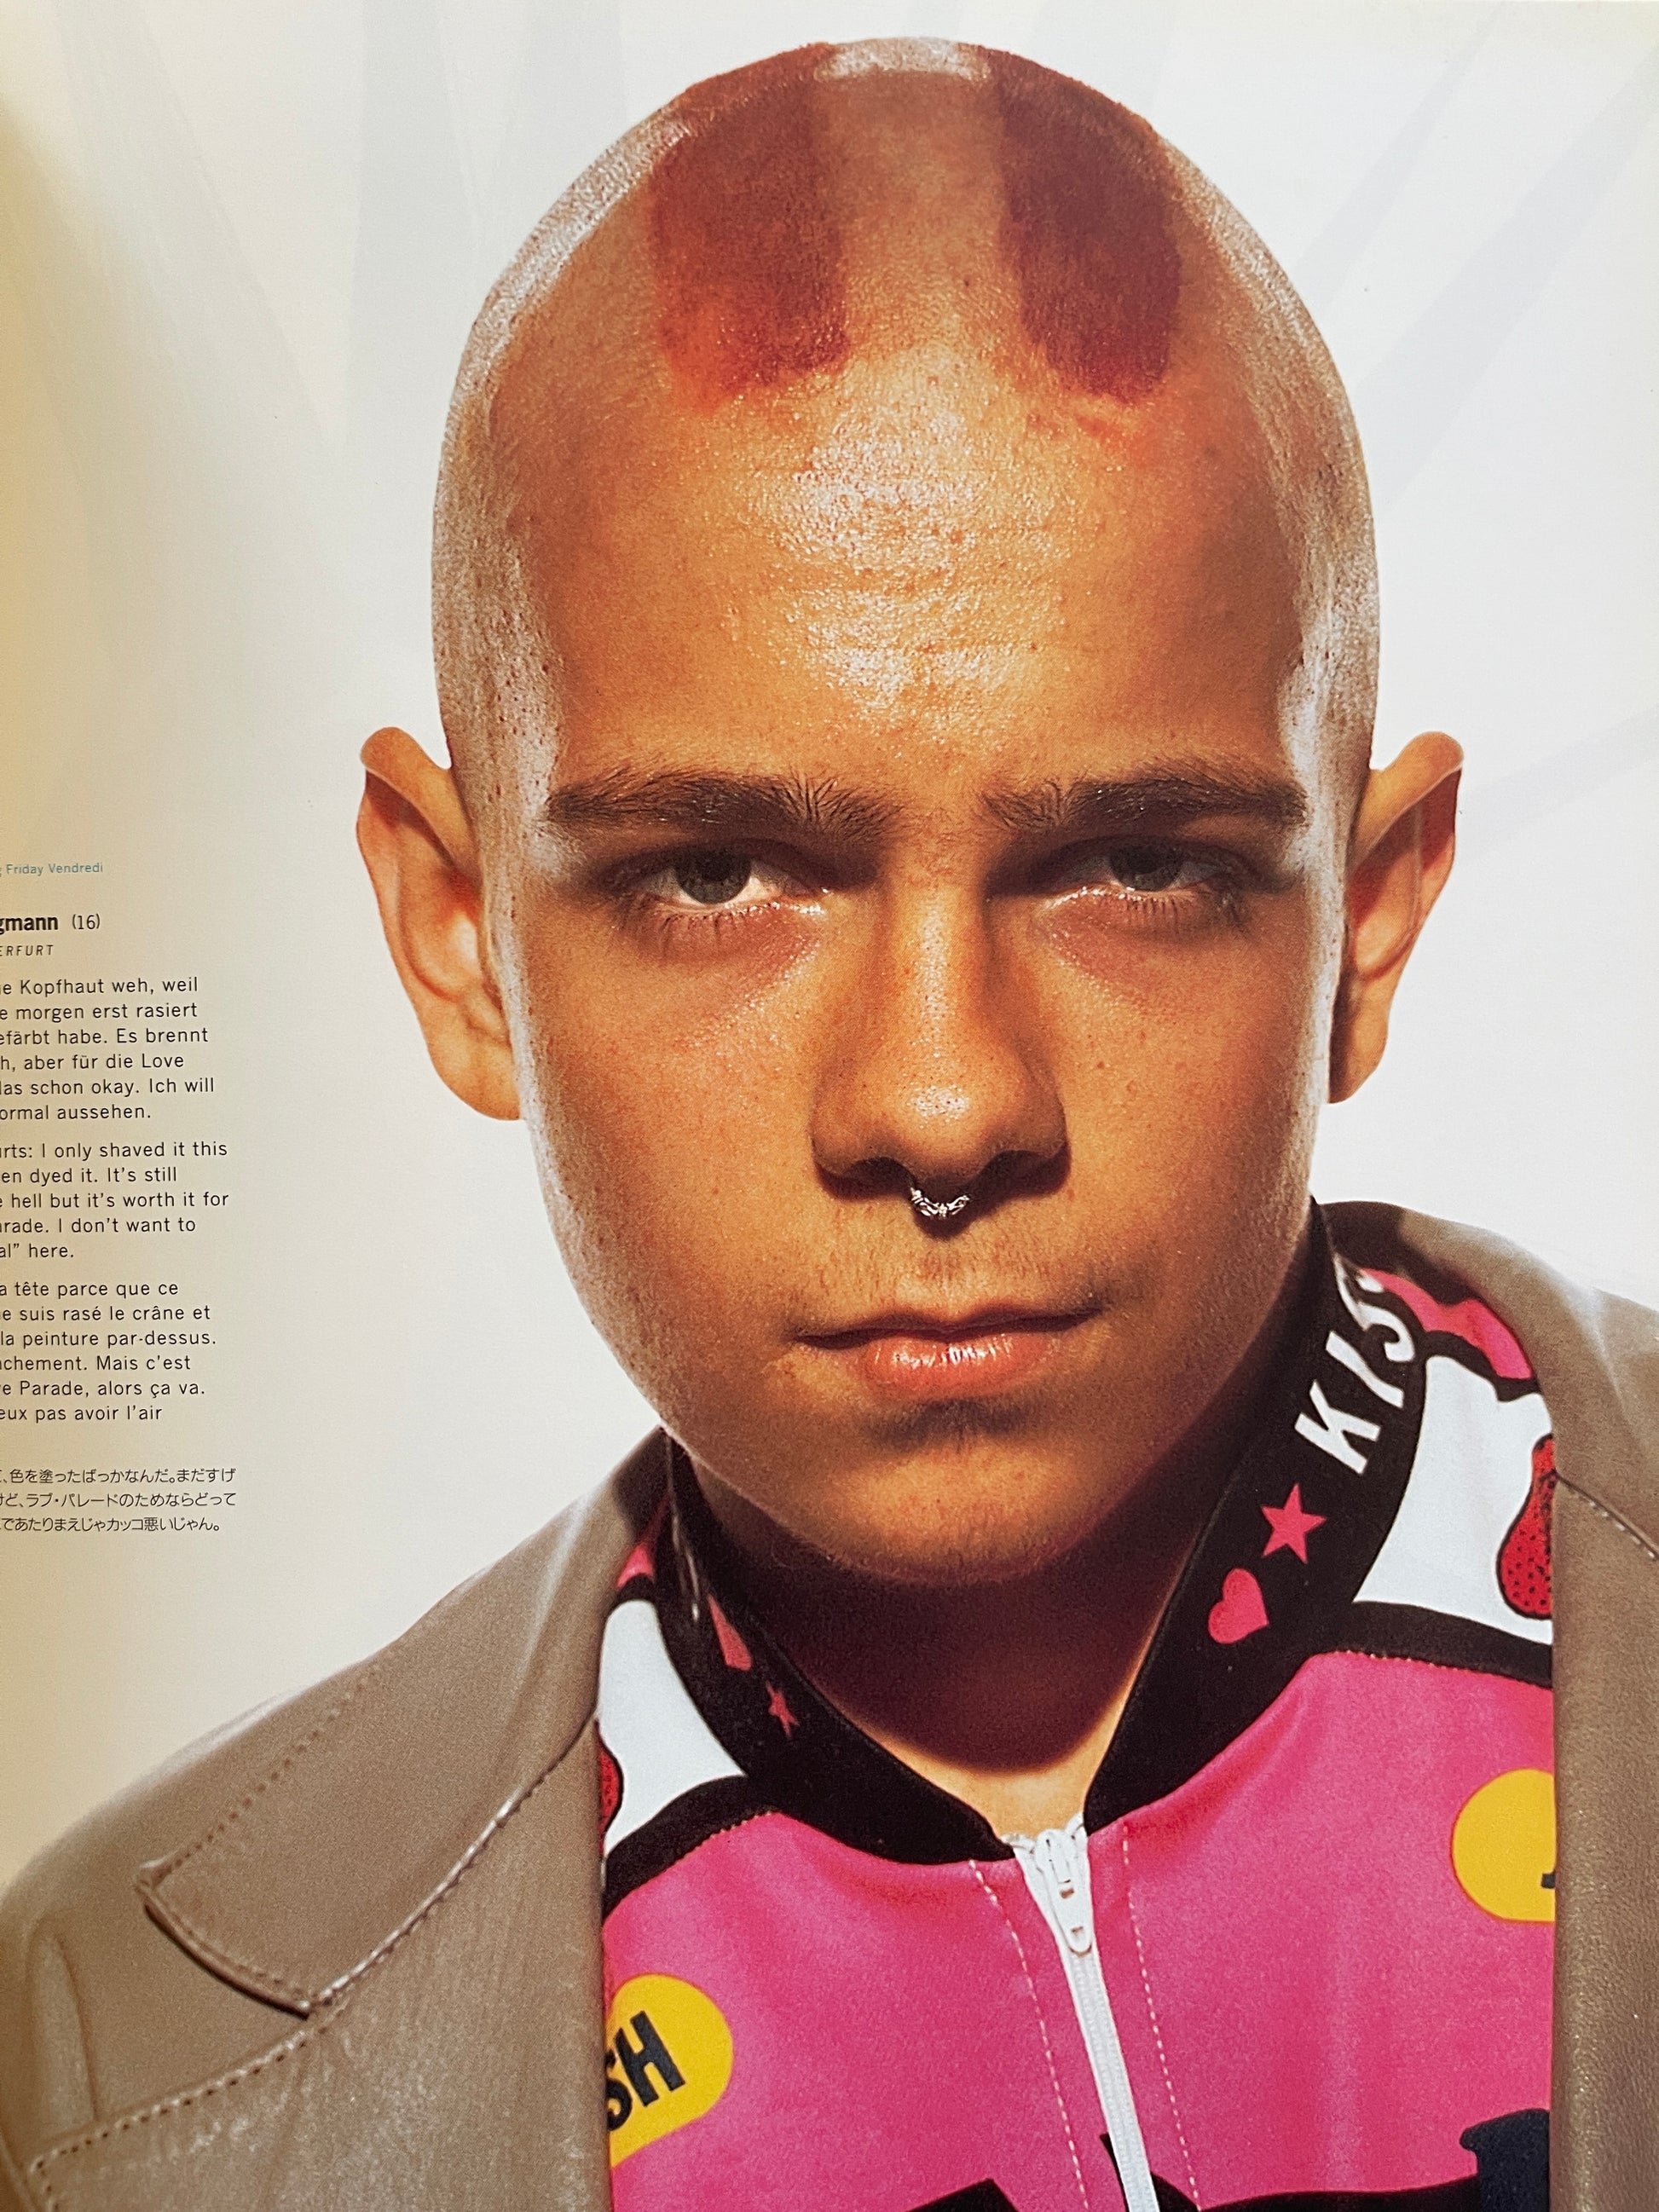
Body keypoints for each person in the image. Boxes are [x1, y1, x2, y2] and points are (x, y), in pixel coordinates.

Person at [2, 38, 1656, 2212]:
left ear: (1369, 913)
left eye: (1133, 864)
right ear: (459, 938)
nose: (941, 1101)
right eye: (715, 875)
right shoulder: (116, 2060)